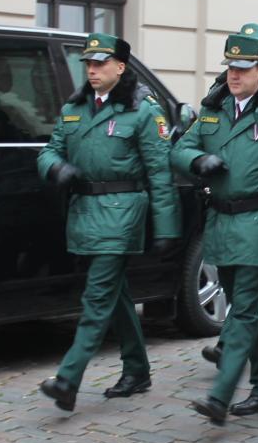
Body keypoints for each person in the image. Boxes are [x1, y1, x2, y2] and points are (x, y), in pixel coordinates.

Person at [37, 32, 180, 411]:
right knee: (115, 295)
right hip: (84, 212)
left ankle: (68, 379)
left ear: (120, 67)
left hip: (122, 212)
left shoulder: (143, 111)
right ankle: (137, 369)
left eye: (101, 63)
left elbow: (160, 174)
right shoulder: (75, 108)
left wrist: (167, 228)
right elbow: (49, 151)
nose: (93, 70)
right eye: (88, 63)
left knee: (97, 297)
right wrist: (58, 168)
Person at [174, 33, 258, 424]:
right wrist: (197, 162)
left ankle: (221, 394)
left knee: (243, 309)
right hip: (222, 218)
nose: (234, 75)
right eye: (230, 67)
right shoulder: (214, 110)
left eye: (243, 69)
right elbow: (178, 149)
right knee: (252, 305)